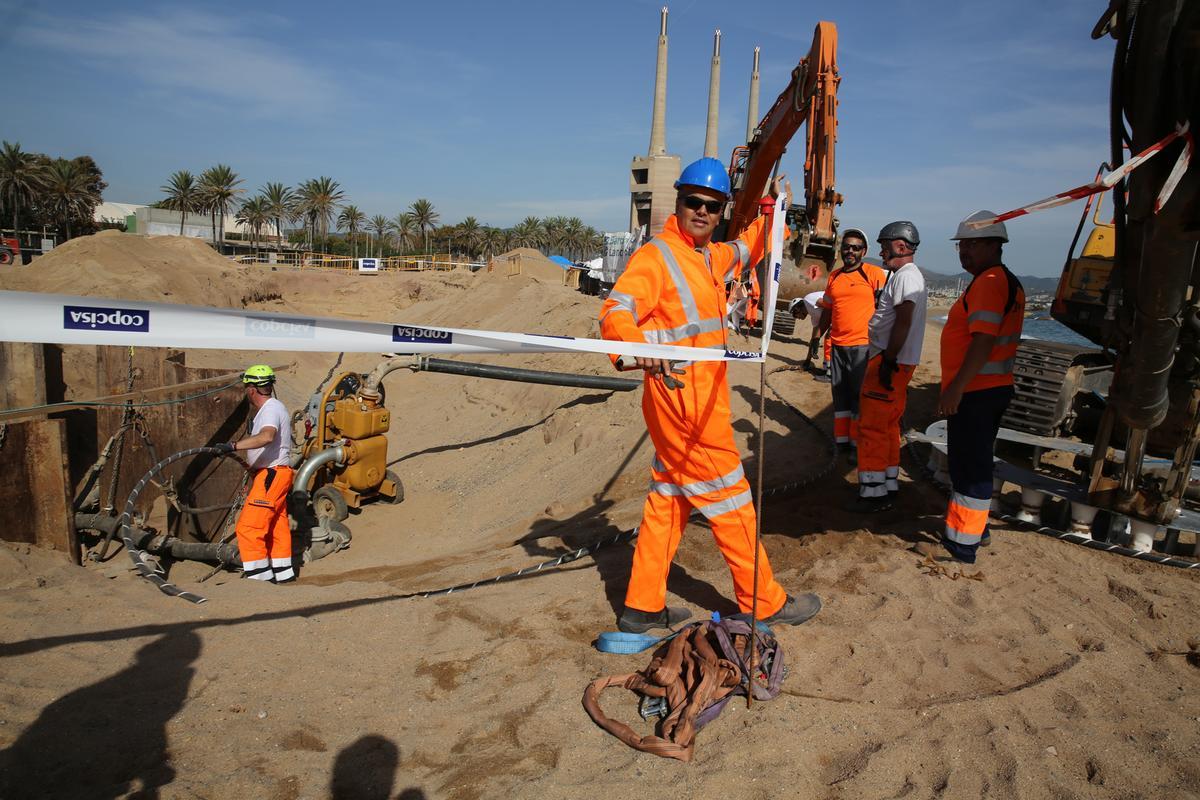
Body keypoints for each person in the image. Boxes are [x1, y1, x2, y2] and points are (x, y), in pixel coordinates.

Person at [598, 156, 821, 633]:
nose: (702, 211)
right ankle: (764, 601)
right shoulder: (657, 256)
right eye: (693, 202)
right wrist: (635, 348)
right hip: (685, 406)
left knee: (669, 496)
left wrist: (774, 208)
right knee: (731, 499)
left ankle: (642, 606)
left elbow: (749, 248)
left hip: (698, 402)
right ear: (678, 202)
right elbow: (616, 309)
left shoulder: (707, 257)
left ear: (721, 211)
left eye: (712, 206)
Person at [936, 211, 1024, 562]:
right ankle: (978, 531)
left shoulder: (989, 281)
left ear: (994, 245)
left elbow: (982, 342)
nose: (964, 252)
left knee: (970, 469)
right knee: (975, 462)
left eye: (971, 245)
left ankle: (962, 545)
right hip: (989, 388)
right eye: (962, 245)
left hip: (977, 391)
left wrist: (955, 389)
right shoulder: (1004, 280)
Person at [856, 221, 928, 510]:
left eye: (884, 246)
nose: (881, 251)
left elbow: (903, 320)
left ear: (900, 246)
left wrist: (887, 360)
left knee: (872, 427)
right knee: (888, 427)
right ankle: (888, 482)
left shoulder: (905, 277)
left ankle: (872, 494)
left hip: (889, 362)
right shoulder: (906, 276)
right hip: (898, 362)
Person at [214, 365, 296, 582]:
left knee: (249, 527)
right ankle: (283, 573)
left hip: (271, 475)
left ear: (251, 389)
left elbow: (266, 437)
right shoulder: (275, 407)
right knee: (277, 526)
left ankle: (259, 579)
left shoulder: (269, 410)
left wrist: (232, 446)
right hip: (274, 475)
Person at [815, 228, 887, 459]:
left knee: (860, 398)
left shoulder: (874, 274)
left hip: (863, 347)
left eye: (856, 248)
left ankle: (858, 444)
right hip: (837, 346)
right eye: (846, 246)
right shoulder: (834, 277)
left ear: (864, 251)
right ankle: (842, 440)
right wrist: (817, 337)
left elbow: (889, 308)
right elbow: (827, 310)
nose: (850, 251)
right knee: (840, 395)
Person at [788, 289, 830, 379]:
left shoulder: (808, 299)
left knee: (829, 339)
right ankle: (828, 370)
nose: (796, 318)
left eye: (795, 315)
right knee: (828, 340)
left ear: (797, 308)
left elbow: (830, 306)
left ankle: (829, 373)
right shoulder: (814, 315)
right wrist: (807, 360)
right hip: (837, 317)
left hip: (843, 313)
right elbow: (813, 337)